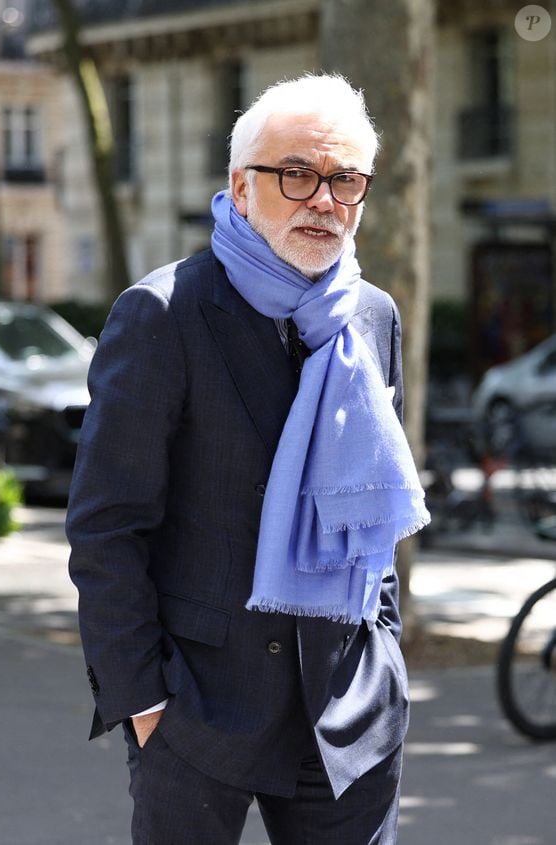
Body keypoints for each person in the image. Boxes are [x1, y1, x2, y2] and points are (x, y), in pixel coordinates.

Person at [67, 73, 430, 845]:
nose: (324, 200)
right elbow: (107, 527)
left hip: (348, 706)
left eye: (345, 180)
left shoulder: (372, 316)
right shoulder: (164, 314)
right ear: (240, 185)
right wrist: (143, 701)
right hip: (199, 710)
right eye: (296, 174)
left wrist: (386, 660)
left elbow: (374, 508)